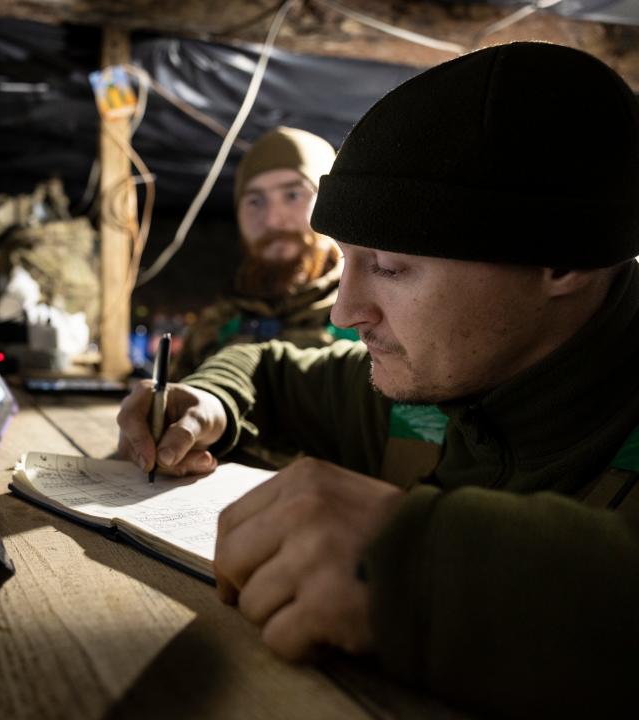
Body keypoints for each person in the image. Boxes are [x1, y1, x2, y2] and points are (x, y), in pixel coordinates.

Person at [116, 41, 639, 718]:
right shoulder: (440, 378)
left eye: (390, 266)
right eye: (344, 260)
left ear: (563, 259)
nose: (344, 310)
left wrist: (424, 573)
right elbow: (270, 369)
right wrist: (211, 401)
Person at [170, 127, 343, 382]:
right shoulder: (214, 328)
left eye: (293, 195)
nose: (272, 220)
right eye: (255, 201)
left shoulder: (371, 320)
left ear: (331, 203)